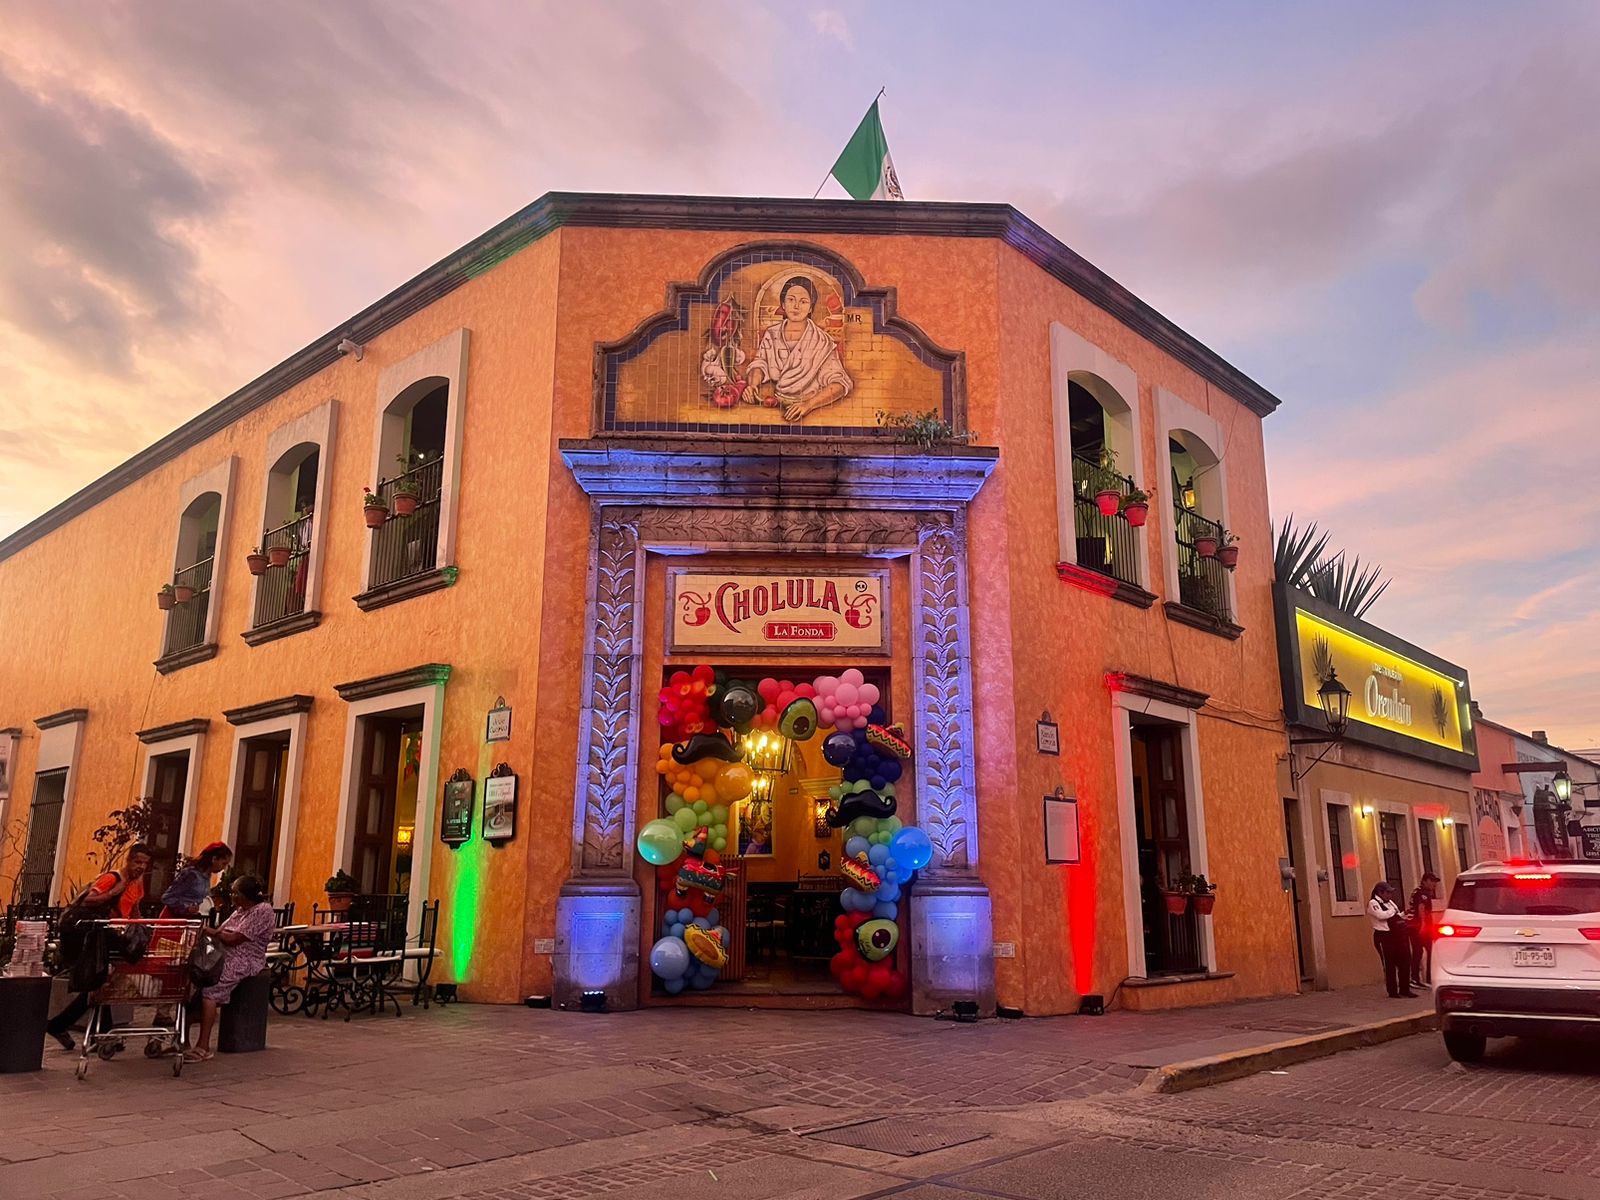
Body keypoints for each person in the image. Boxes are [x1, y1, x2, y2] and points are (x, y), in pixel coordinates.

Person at [45, 843, 154, 1050]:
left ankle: (73, 1028)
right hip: (93, 938)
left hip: (109, 937)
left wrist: (142, 927)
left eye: (145, 864)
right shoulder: (113, 878)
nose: (141, 867)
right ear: (129, 860)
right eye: (138, 861)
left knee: (100, 983)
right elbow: (88, 900)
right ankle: (101, 1034)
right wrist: (114, 892)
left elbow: (134, 909)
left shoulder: (137, 883)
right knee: (99, 981)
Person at [185, 874, 275, 1063]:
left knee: (210, 989)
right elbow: (223, 931)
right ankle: (183, 1040)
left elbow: (234, 939)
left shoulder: (262, 910)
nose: (232, 896)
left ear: (246, 895)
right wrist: (217, 933)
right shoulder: (240, 911)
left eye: (235, 893)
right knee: (191, 983)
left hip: (245, 959)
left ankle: (203, 1045)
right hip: (222, 954)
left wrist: (215, 933)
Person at [741, 275, 853, 422]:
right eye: (791, 299)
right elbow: (760, 363)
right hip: (775, 408)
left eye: (803, 301)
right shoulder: (772, 333)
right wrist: (753, 385)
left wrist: (808, 405)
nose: (796, 306)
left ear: (811, 307)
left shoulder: (821, 341)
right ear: (783, 304)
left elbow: (839, 383)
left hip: (812, 412)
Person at [1367, 881, 1416, 999]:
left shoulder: (1390, 903)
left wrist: (1404, 913)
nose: (1390, 895)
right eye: (1387, 892)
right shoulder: (1373, 903)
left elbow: (1397, 915)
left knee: (1404, 961)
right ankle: (1392, 991)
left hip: (1397, 935)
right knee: (1389, 964)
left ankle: (1405, 989)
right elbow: (1381, 916)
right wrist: (1393, 912)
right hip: (1384, 936)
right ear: (1380, 892)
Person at [160, 841, 233, 918]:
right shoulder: (191, 874)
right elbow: (167, 897)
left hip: (188, 920)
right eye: (223, 863)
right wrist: (186, 908)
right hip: (173, 920)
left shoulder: (207, 876)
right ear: (214, 859)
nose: (224, 868)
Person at [1407, 872, 1441, 988]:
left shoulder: (1418, 891)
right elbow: (1421, 908)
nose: (1434, 885)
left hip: (1415, 926)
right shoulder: (1422, 894)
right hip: (1418, 927)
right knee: (1421, 951)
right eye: (1432, 882)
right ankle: (1418, 978)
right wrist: (1422, 925)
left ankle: (1419, 978)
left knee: (1420, 951)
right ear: (1425, 880)